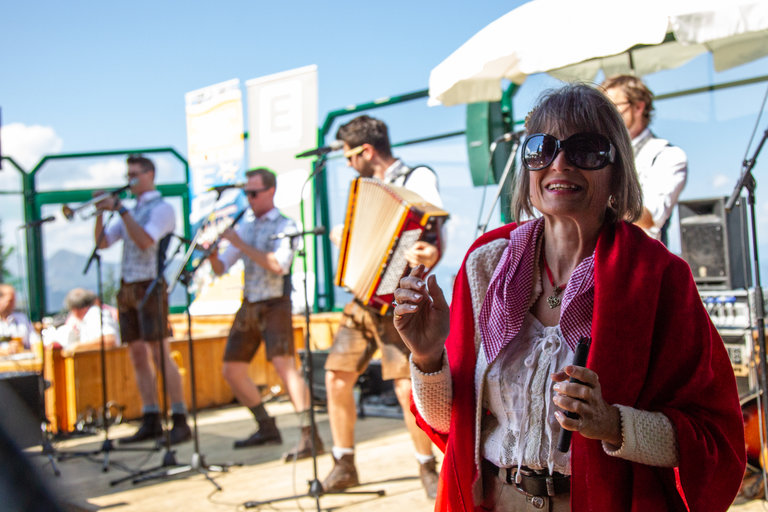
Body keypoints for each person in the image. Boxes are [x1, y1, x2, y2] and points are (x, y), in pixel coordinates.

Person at [393, 84, 745, 511]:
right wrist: (427, 358)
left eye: (587, 150)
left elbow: (710, 438)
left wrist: (611, 424)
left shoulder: (658, 276)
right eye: (541, 148)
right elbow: (451, 424)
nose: (559, 163)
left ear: (617, 170)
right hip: (497, 500)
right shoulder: (486, 264)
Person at [322, 115, 444, 498]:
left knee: (406, 388)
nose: (346, 163)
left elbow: (435, 226)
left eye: (348, 155)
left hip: (398, 299)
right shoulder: (364, 190)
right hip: (362, 299)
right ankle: (344, 463)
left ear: (367, 151)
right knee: (336, 377)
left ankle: (428, 467)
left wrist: (431, 252)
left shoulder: (417, 178)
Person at [208, 167, 322, 461]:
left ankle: (311, 436)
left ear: (270, 191)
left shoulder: (286, 224)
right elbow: (221, 268)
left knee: (285, 368)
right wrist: (210, 251)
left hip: (275, 303)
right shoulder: (244, 225)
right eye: (246, 193)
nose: (249, 198)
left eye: (254, 192)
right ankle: (266, 426)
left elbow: (278, 265)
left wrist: (239, 243)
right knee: (231, 371)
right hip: (250, 303)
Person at [94, 154, 191, 445]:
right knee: (137, 354)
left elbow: (146, 241)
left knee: (160, 352)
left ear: (149, 175)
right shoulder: (131, 210)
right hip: (127, 286)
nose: (130, 180)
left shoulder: (161, 209)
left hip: (150, 285)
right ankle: (151, 417)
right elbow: (102, 243)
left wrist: (121, 209)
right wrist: (99, 212)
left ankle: (180, 417)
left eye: (135, 174)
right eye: (128, 174)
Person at [601, 74, 688, 245]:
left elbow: (650, 218)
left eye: (614, 107)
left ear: (639, 107)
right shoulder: (602, 152)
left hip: (638, 261)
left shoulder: (666, 155)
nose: (607, 116)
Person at [54, 288, 120, 351]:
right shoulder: (88, 317)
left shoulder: (95, 314)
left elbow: (109, 339)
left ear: (75, 310)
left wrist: (78, 346)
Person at [0, 284, 40, 355]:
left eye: (14, 300)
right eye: (10, 301)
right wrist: (4, 351)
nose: (13, 304)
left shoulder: (22, 318)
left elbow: (34, 342)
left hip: (23, 363)